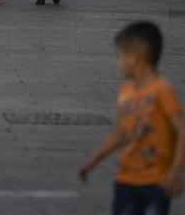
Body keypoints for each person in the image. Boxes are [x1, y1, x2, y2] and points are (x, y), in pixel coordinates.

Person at [79, 21, 185, 215]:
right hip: (125, 180)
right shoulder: (126, 91)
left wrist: (176, 171)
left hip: (156, 183)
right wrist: (94, 160)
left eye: (120, 55)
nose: (118, 61)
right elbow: (119, 132)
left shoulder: (163, 91)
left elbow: (181, 131)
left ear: (135, 58)